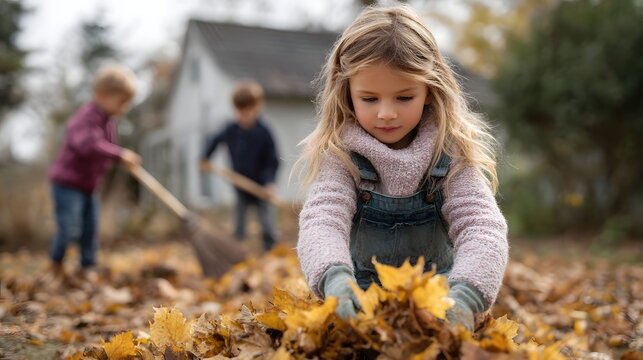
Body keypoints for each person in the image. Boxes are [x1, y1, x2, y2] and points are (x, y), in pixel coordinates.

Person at [296, 5, 508, 331]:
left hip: (440, 307)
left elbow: (482, 226)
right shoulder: (340, 155)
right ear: (347, 93)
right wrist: (334, 280)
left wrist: (466, 296)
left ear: (429, 90)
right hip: (358, 305)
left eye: (404, 97)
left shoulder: (450, 153)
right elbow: (322, 220)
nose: (386, 113)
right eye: (369, 99)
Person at [48, 64, 141, 282]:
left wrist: (119, 158)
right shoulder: (86, 117)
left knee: (90, 228)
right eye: (122, 102)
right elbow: (89, 145)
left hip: (89, 185)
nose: (125, 107)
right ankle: (56, 262)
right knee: (70, 227)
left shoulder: (110, 121)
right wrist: (120, 154)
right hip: (67, 184)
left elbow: (105, 149)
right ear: (102, 95)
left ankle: (88, 266)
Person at [200, 80, 280, 251]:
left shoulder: (264, 132)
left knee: (267, 225)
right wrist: (205, 157)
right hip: (239, 185)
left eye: (248, 111)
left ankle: (271, 251)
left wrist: (269, 183)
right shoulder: (231, 129)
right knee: (239, 225)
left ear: (257, 107)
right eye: (240, 111)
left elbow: (272, 161)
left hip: (261, 187)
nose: (244, 115)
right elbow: (214, 140)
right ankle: (237, 251)